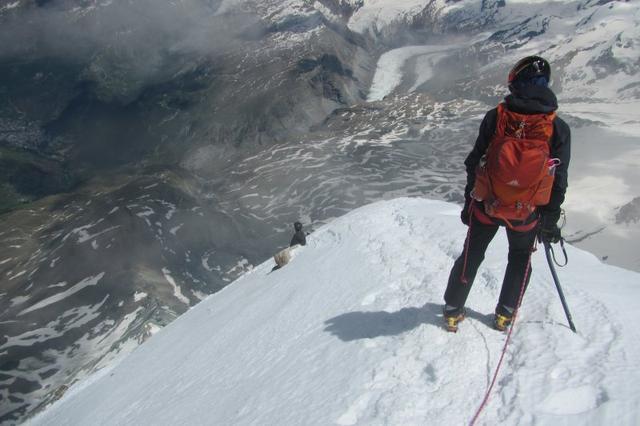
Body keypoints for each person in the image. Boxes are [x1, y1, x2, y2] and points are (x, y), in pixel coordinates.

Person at [442, 56, 571, 332]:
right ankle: (505, 314)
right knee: (521, 256)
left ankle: (452, 310)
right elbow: (559, 177)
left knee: (472, 254)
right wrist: (549, 217)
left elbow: (474, 160)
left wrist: (470, 200)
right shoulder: (556, 127)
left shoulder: (498, 117)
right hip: (526, 212)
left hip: (487, 205)